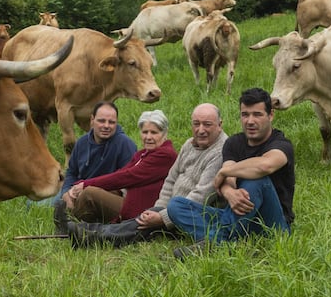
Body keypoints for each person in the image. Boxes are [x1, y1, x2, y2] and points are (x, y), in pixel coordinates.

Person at [67, 103, 228, 247]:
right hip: (168, 207)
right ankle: (87, 231)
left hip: (188, 215)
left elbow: (201, 195)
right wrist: (159, 207)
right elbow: (170, 181)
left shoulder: (219, 152)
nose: (201, 130)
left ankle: (91, 236)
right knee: (139, 222)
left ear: (219, 125)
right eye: (196, 124)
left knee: (140, 225)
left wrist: (163, 217)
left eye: (207, 124)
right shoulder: (187, 144)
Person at [168, 87, 295, 260]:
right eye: (245, 114)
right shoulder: (234, 143)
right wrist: (229, 192)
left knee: (256, 180)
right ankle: (230, 243)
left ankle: (214, 242)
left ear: (270, 115)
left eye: (257, 114)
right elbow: (229, 180)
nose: (250, 121)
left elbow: (264, 166)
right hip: (236, 213)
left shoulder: (281, 144)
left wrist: (225, 171)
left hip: (271, 223)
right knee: (176, 206)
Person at [67, 109, 177, 224]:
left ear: (165, 133)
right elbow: (120, 174)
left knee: (89, 193)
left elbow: (127, 177)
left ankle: (73, 227)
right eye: (145, 132)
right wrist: (82, 186)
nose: (148, 137)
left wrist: (86, 184)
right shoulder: (143, 153)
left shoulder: (165, 155)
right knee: (87, 191)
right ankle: (85, 226)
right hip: (126, 199)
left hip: (139, 211)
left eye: (154, 133)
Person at [53, 101, 137, 235]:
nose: (106, 126)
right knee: (44, 201)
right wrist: (66, 192)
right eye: (101, 121)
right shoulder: (81, 143)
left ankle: (68, 224)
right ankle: (68, 212)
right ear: (92, 120)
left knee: (88, 195)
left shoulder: (125, 145)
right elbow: (72, 172)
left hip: (105, 194)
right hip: (79, 190)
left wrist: (85, 188)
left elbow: (127, 180)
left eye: (111, 122)